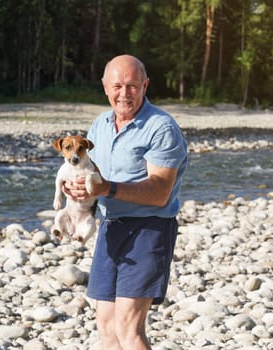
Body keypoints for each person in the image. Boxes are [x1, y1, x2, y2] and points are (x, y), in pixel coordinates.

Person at [63, 54, 188, 349]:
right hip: (110, 227)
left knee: (128, 329)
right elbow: (93, 177)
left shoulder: (161, 128)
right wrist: (78, 192)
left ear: (145, 86)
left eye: (132, 85)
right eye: (117, 85)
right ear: (105, 87)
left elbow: (159, 192)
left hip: (149, 229)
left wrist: (107, 189)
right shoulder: (100, 126)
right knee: (106, 328)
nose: (124, 93)